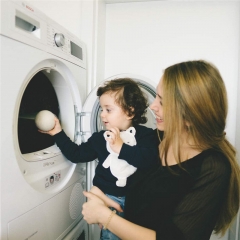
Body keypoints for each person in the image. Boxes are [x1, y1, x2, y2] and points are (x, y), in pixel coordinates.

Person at [82, 60, 240, 240]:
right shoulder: (156, 138)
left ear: (191, 113)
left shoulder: (213, 167)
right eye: (156, 96)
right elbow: (137, 192)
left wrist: (105, 217)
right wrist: (102, 196)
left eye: (162, 102)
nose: (152, 106)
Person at [39, 78, 159, 240]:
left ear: (130, 112)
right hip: (108, 200)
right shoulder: (100, 138)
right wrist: (58, 133)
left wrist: (120, 147)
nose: (102, 114)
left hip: (137, 201)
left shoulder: (146, 136)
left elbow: (148, 162)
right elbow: (77, 154)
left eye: (108, 110)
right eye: (101, 109)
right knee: (111, 236)